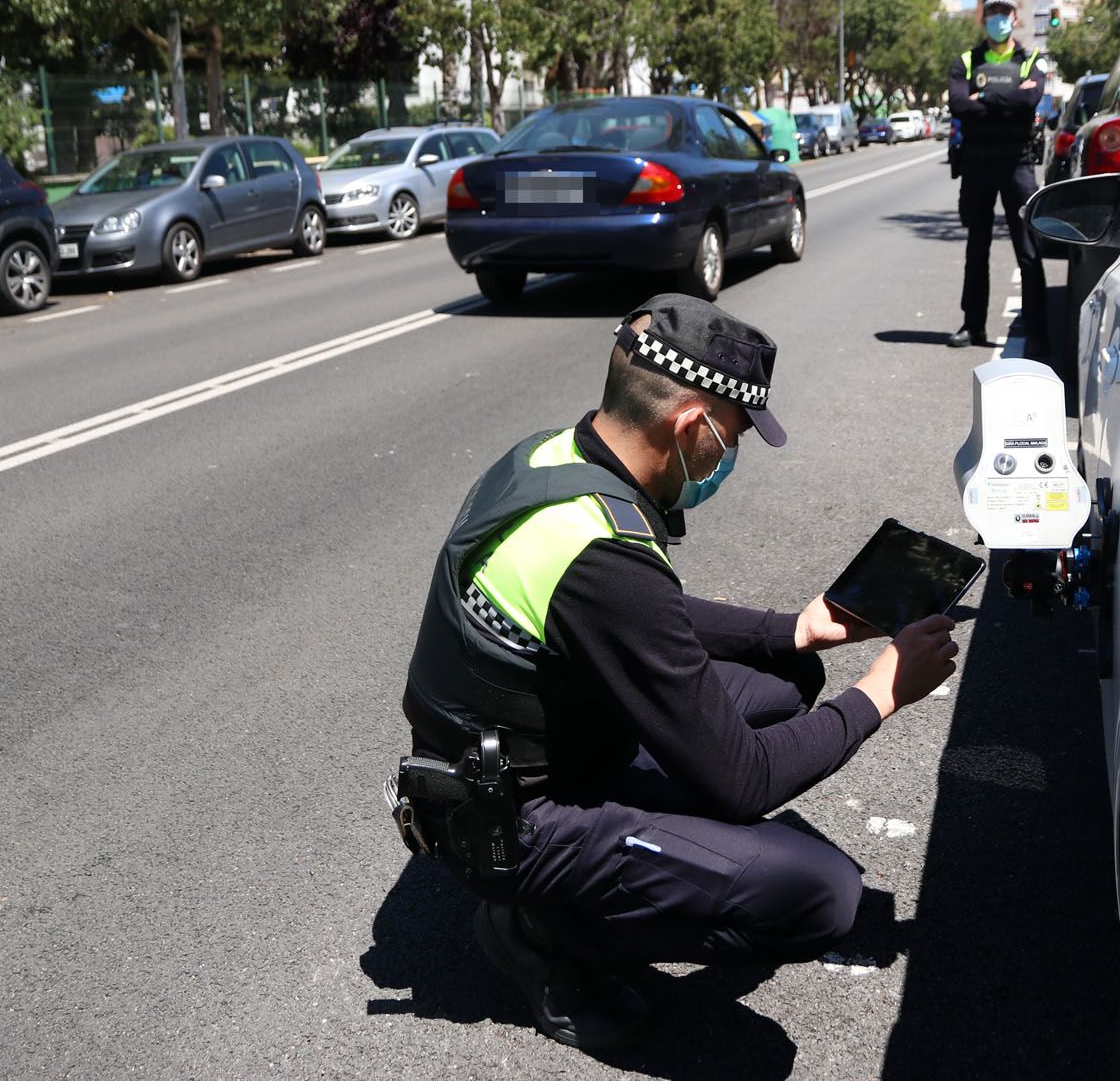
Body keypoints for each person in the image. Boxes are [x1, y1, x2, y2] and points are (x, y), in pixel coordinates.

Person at [394, 294, 961, 1054]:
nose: (729, 457)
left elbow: (644, 614)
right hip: (512, 819)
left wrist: (792, 630)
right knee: (819, 893)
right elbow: (745, 780)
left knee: (787, 677)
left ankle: (633, 854)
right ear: (691, 426)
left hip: (525, 745)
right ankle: (547, 932)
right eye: (731, 438)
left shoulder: (553, 458)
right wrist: (881, 692)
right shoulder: (603, 557)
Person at [946, 0, 1052, 358]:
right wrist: (1004, 102)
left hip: (1018, 163)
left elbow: (1030, 99)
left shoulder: (1031, 59)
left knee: (1028, 249)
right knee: (977, 248)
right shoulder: (967, 60)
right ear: (984, 18)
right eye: (993, 12)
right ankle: (972, 324)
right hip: (977, 163)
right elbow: (957, 104)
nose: (999, 18)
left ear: (1015, 18)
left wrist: (984, 100)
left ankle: (1037, 327)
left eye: (1005, 12)